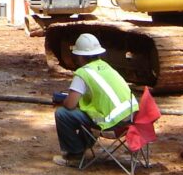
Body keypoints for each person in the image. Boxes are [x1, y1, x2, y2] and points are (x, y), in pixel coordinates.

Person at [52, 33, 139, 167]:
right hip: (132, 117)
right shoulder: (106, 66)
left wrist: (62, 101)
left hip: (114, 122)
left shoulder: (83, 73)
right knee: (87, 112)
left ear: (79, 56)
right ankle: (81, 146)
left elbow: (70, 105)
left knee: (63, 114)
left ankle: (74, 155)